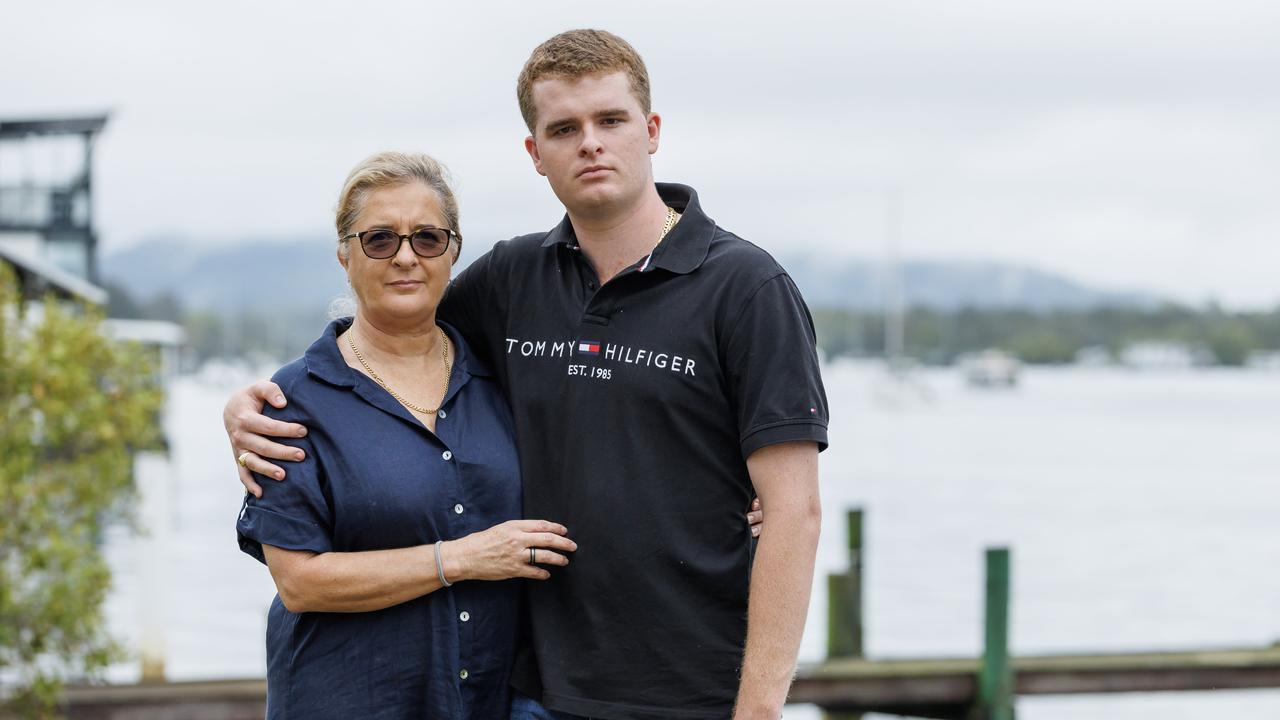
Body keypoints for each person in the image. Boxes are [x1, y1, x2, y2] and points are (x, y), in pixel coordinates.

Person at [227, 29, 826, 720]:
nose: (590, 144)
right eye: (564, 128)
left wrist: (759, 711)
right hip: (532, 694)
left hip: (694, 692)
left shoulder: (746, 289)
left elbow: (795, 515)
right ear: (535, 153)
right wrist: (253, 405)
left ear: (652, 130)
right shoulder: (512, 279)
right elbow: (389, 327)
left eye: (610, 120)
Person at [233, 151, 579, 719]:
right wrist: (461, 559)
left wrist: (740, 497)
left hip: (485, 702)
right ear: (345, 255)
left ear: (453, 252)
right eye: (379, 240)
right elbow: (300, 582)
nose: (405, 258)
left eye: (426, 239)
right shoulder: (295, 400)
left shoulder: (502, 381)